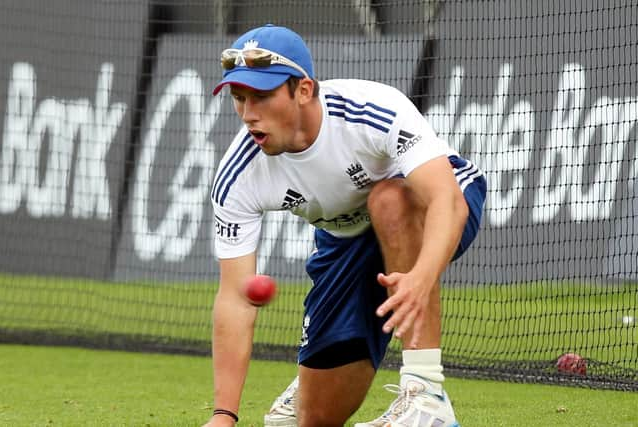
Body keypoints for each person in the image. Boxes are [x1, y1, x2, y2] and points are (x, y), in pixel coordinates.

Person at [204, 24, 486, 427]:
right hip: (347, 242)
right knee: (312, 419)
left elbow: (447, 200)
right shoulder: (240, 174)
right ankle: (306, 387)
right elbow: (235, 297)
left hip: (435, 202)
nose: (249, 114)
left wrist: (422, 275)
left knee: (388, 198)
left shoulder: (370, 109)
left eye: (262, 97)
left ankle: (428, 397)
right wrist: (223, 416)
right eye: (239, 98)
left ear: (303, 90)